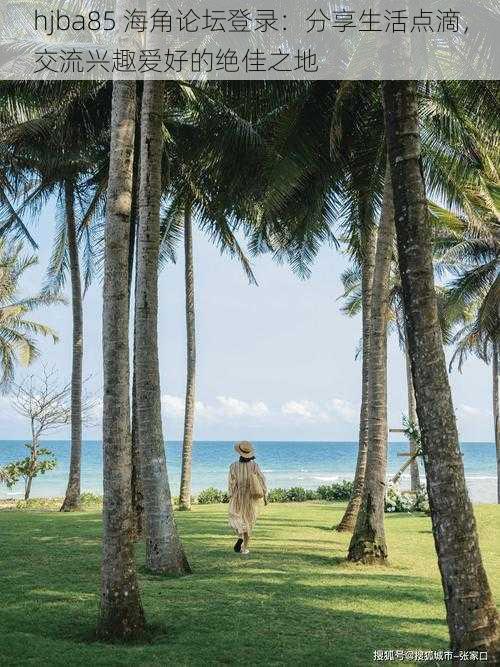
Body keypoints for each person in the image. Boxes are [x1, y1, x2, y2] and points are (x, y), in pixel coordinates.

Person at [228, 441, 267, 555]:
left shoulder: (233, 466)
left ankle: (240, 535)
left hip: (238, 496)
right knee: (249, 522)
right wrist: (264, 494)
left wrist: (230, 494)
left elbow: (231, 483)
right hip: (251, 498)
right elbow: (262, 480)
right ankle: (244, 548)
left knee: (235, 517)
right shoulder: (254, 465)